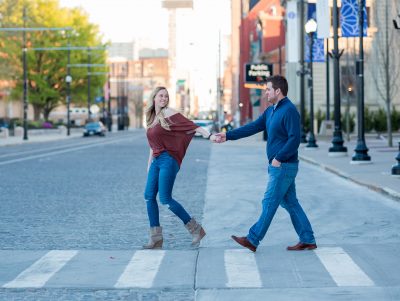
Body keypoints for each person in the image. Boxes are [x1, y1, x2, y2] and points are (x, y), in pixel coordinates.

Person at [214, 75, 316, 252]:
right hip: (279, 165)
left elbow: (295, 139)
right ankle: (308, 239)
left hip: (283, 165)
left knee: (269, 201)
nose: (265, 93)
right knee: (290, 202)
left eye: (268, 89)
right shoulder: (271, 111)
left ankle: (253, 239)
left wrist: (278, 158)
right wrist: (228, 135)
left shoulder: (289, 110)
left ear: (278, 91)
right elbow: (252, 127)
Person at [143, 86, 216, 249]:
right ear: (154, 97)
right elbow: (151, 145)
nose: (164, 98)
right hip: (156, 161)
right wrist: (149, 166)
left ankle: (196, 229)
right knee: (148, 196)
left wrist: (209, 135)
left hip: (168, 160)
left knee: (165, 198)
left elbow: (193, 126)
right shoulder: (151, 118)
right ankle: (156, 238)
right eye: (161, 96)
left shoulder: (169, 114)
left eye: (166, 96)